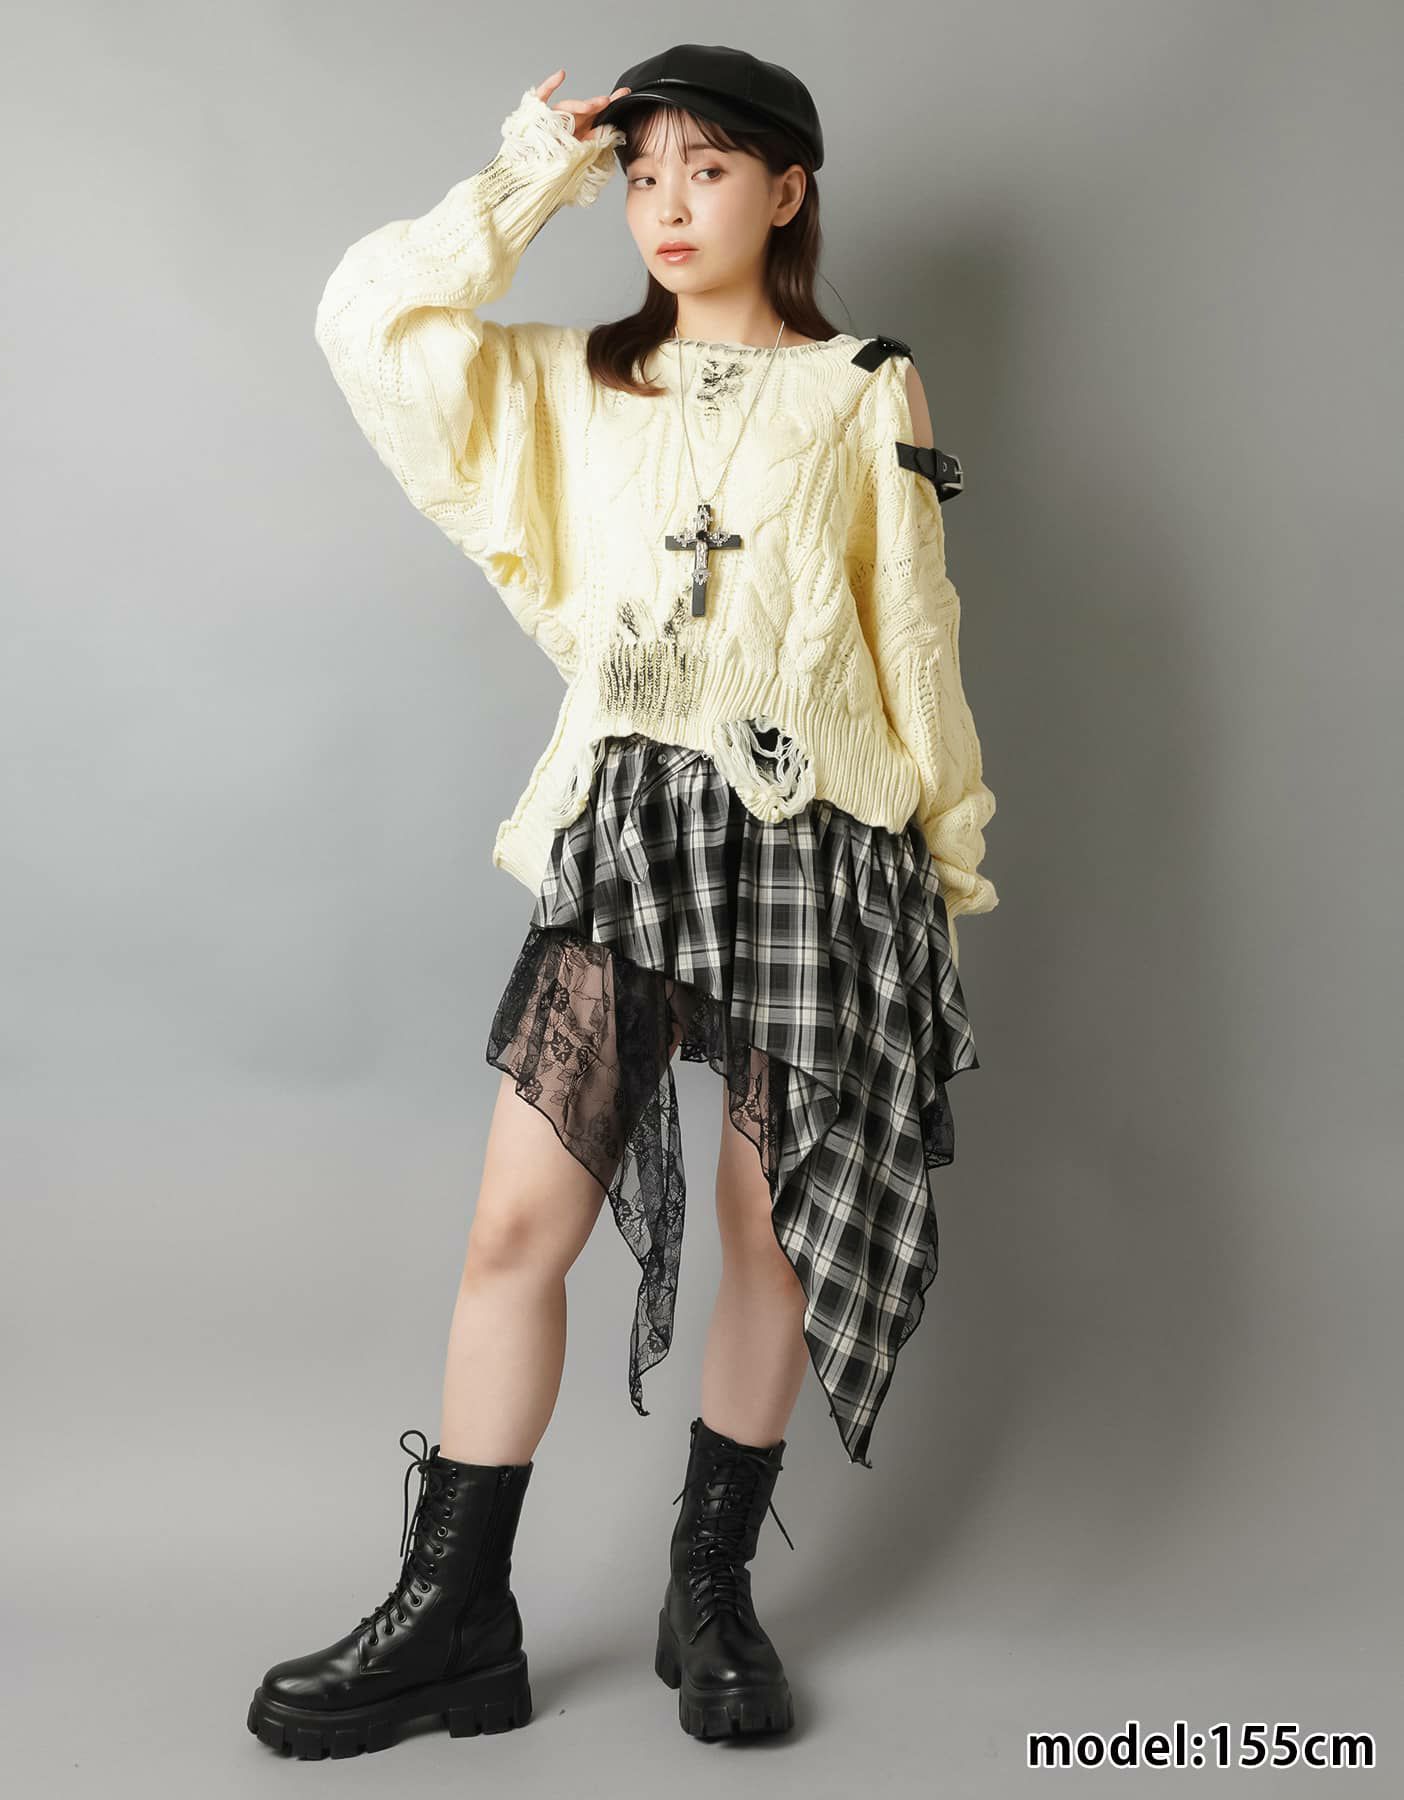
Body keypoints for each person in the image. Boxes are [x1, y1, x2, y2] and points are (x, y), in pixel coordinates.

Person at [247, 43, 999, 1758]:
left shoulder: (866, 387)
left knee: (768, 1229)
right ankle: (458, 1616)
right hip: (635, 832)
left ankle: (708, 1591)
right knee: (519, 1225)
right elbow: (368, 322)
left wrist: (942, 865)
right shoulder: (573, 379)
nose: (666, 204)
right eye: (643, 171)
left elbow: (914, 631)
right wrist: (536, 172)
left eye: (706, 169)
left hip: (822, 842)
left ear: (787, 192)